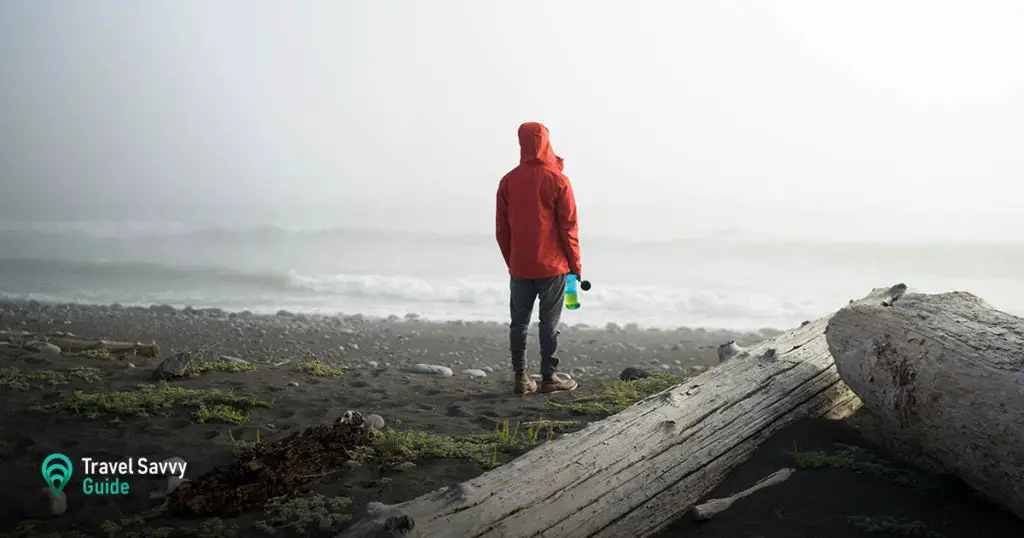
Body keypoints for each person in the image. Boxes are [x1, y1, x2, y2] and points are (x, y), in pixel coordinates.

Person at [495, 122, 582, 395]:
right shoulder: (558, 180)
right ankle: (548, 377)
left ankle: (520, 378)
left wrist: (513, 261)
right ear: (546, 142)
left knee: (518, 323)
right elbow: (569, 228)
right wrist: (576, 266)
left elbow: (502, 230)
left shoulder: (508, 181)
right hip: (553, 267)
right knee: (549, 324)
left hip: (521, 266)